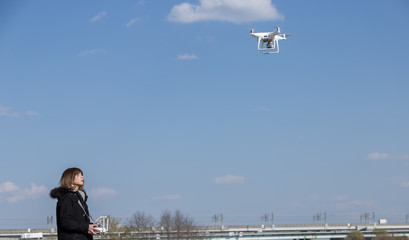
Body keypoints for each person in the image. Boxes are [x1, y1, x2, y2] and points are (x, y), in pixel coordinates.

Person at [50, 168, 100, 240]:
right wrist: (86, 227)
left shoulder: (80, 197)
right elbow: (65, 222)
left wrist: (91, 227)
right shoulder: (66, 198)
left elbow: (79, 222)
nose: (81, 177)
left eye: (82, 174)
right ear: (69, 178)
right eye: (77, 175)